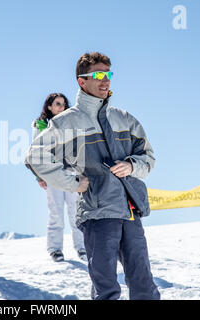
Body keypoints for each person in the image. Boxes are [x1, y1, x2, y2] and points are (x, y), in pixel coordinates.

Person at [25, 52, 160, 300]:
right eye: (98, 75)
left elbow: (148, 157)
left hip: (130, 212)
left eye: (108, 74)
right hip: (98, 214)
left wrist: (131, 166)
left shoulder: (124, 118)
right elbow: (35, 156)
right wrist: (73, 183)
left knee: (144, 287)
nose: (105, 80)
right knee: (106, 290)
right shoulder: (67, 122)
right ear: (82, 81)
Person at [32, 93, 87, 262]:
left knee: (75, 211)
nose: (61, 107)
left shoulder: (70, 123)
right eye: (57, 104)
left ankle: (82, 247)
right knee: (55, 212)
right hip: (53, 174)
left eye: (63, 104)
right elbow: (35, 152)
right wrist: (39, 175)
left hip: (71, 173)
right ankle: (55, 249)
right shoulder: (40, 125)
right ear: (49, 106)